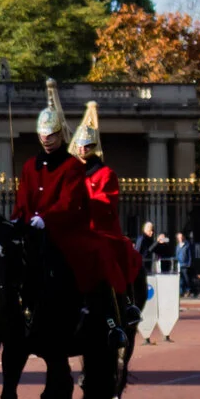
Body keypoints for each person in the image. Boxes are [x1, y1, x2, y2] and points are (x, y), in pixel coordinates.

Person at [10, 84, 120, 346]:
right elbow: (23, 198)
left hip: (64, 229)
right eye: (43, 135)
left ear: (60, 135)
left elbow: (69, 202)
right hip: (32, 227)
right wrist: (18, 219)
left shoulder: (72, 167)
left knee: (94, 255)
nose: (46, 140)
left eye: (52, 135)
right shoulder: (29, 166)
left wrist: (46, 218)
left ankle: (108, 319)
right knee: (2, 261)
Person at [70, 103, 144, 329]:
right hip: (72, 231)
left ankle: (126, 303)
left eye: (87, 146)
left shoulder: (105, 174)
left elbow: (107, 202)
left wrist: (85, 200)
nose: (82, 150)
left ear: (93, 147)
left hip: (99, 231)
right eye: (80, 146)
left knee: (114, 256)